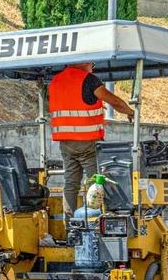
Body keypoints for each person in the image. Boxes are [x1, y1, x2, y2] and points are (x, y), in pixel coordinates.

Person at [49, 62, 136, 217]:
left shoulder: (56, 80)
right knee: (97, 182)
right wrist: (130, 112)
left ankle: (70, 225)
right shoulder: (88, 80)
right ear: (83, 62)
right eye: (92, 63)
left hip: (65, 141)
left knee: (71, 183)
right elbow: (114, 101)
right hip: (87, 141)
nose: (93, 66)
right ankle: (96, 223)